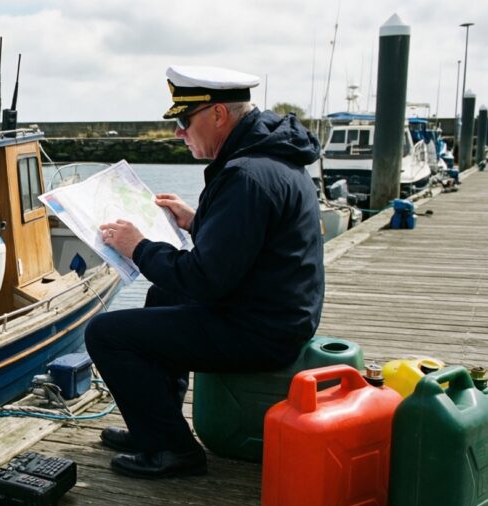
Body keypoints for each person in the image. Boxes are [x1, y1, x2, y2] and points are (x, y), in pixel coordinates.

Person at [85, 65, 325, 479]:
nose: (179, 132)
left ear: (218, 114)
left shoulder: (246, 175)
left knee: (106, 334)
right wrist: (197, 221)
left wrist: (137, 247)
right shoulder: (268, 157)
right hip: (275, 312)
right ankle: (155, 426)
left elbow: (203, 279)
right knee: (163, 296)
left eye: (184, 119)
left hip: (264, 330)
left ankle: (172, 450)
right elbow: (250, 242)